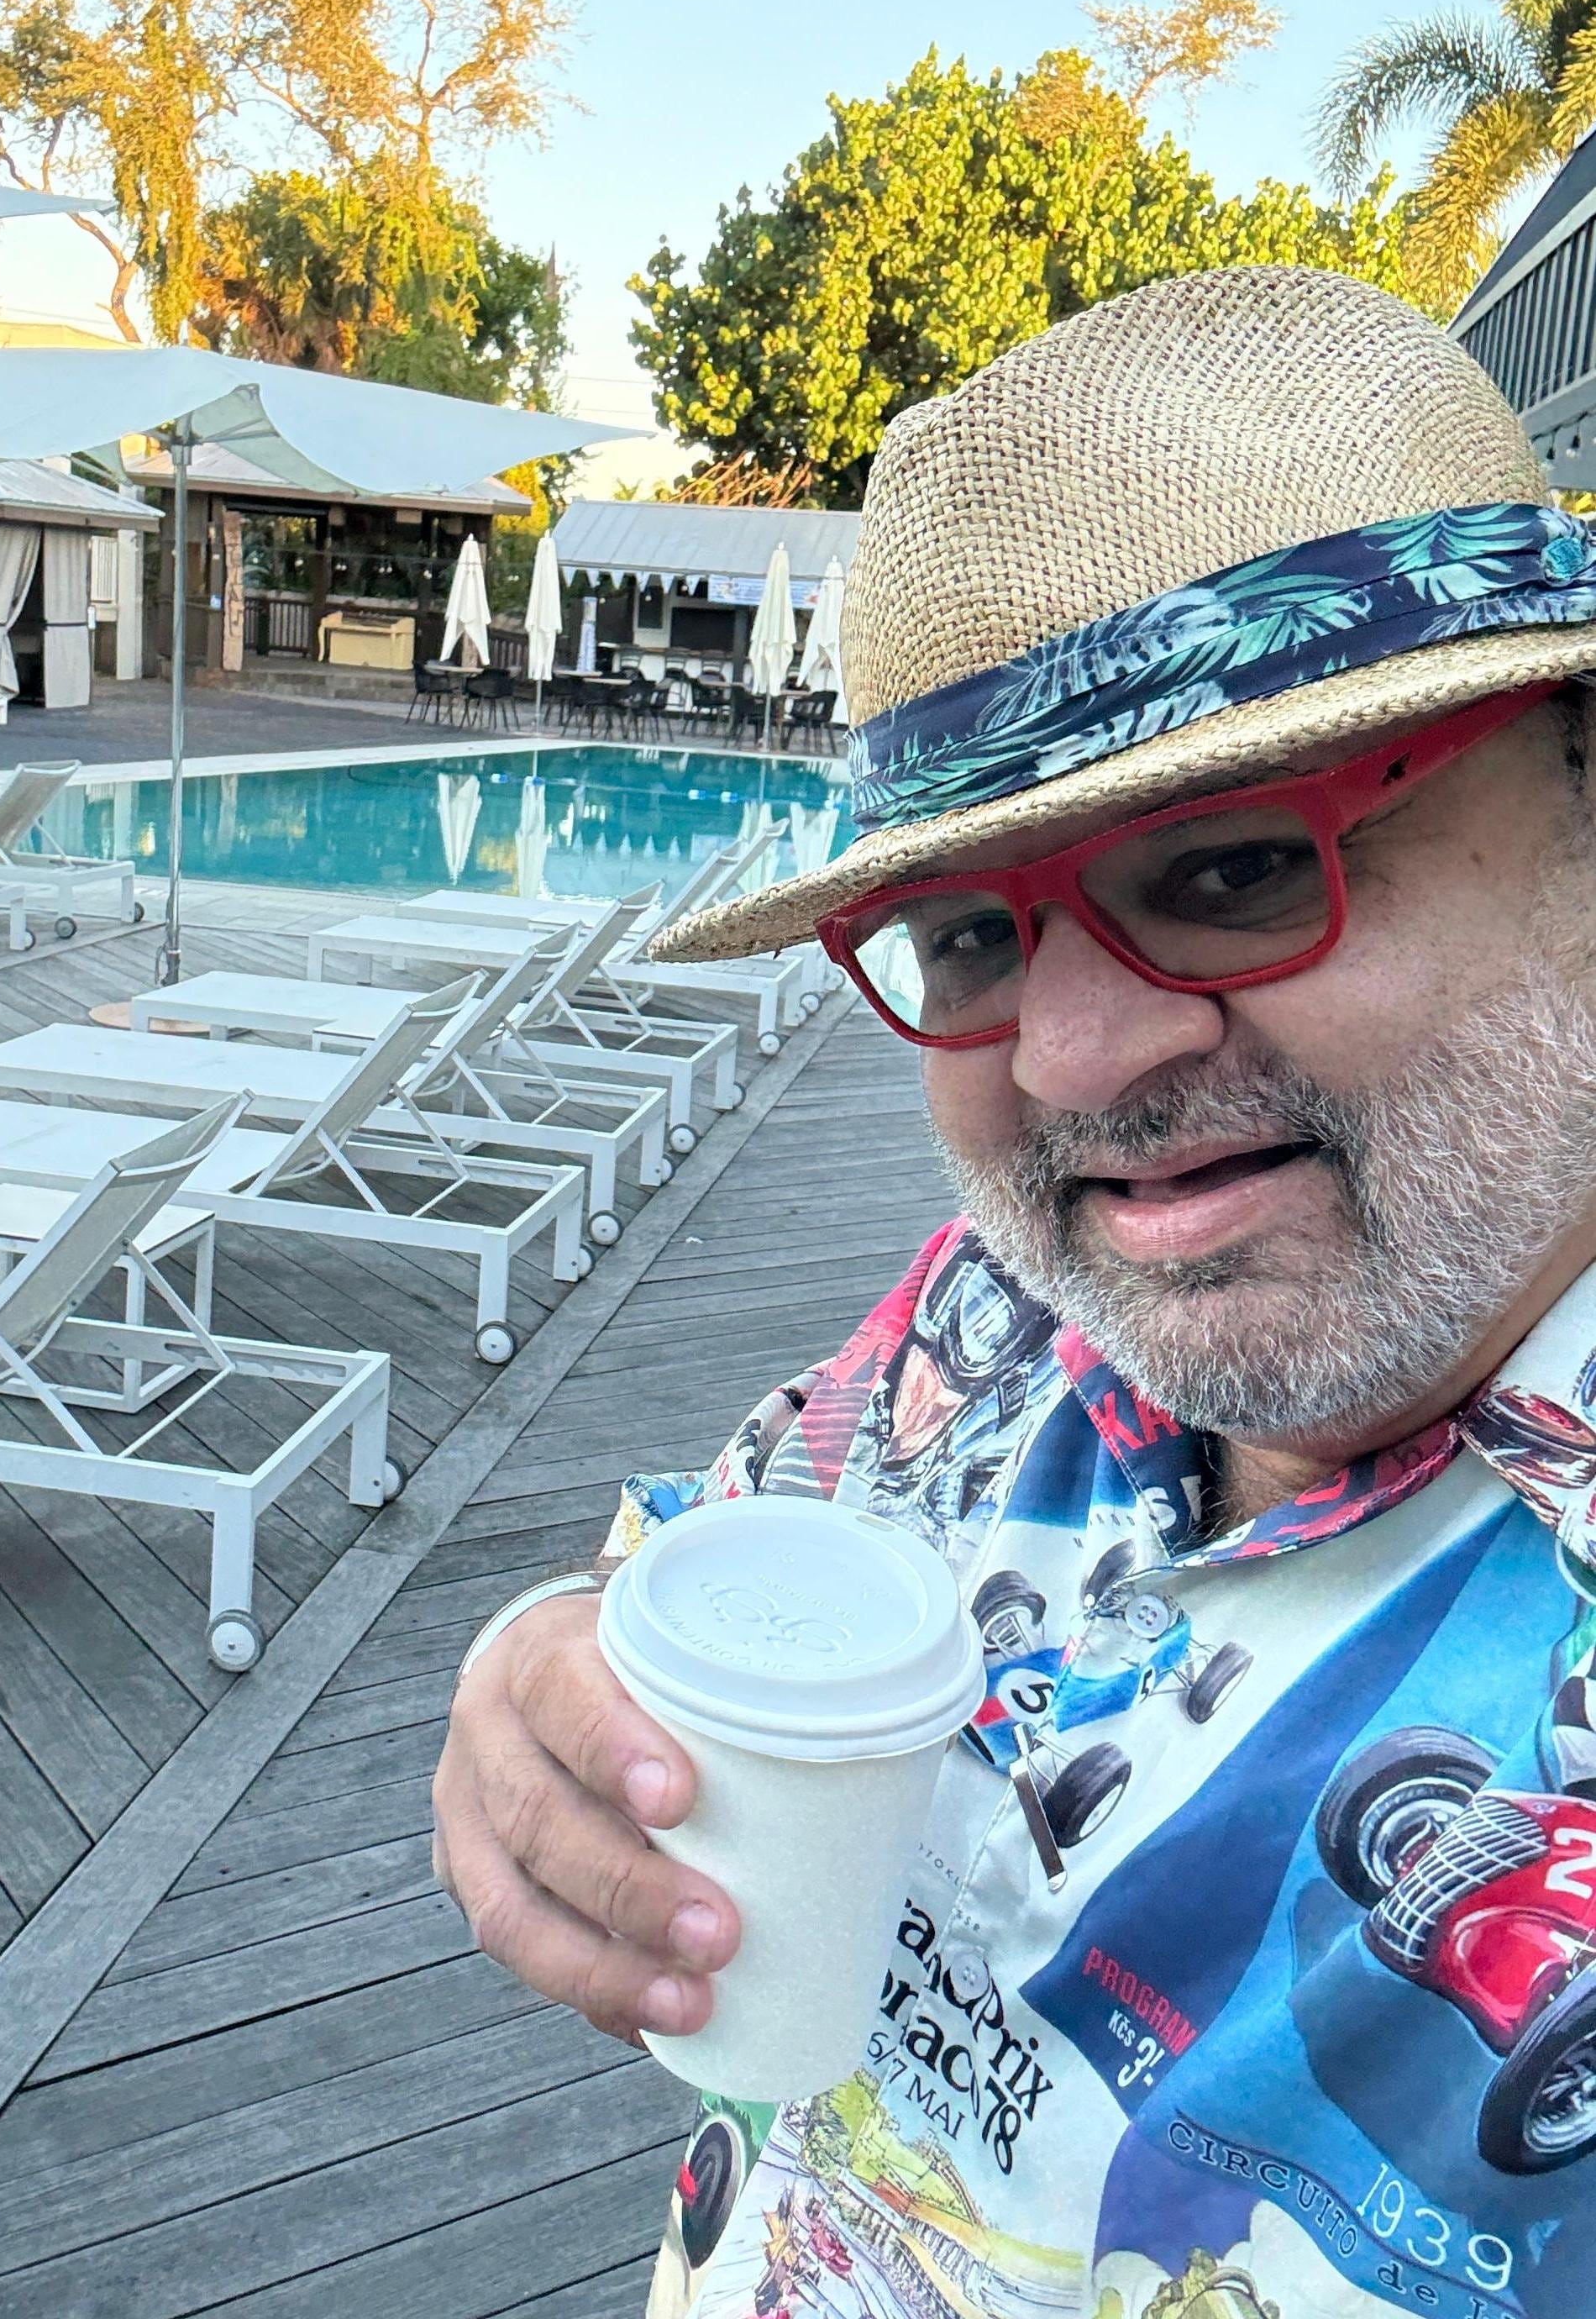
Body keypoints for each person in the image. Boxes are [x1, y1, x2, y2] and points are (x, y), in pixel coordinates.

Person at [432, 266, 1596, 2319]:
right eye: (968, 929)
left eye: (1237, 863)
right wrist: (546, 1679)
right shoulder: (1006, 1319)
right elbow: (713, 1554)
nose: (1065, 1061)